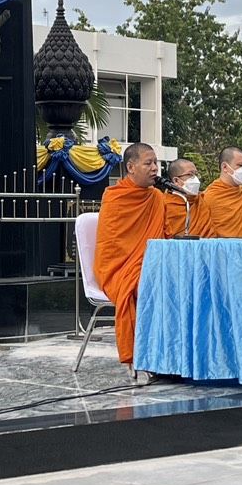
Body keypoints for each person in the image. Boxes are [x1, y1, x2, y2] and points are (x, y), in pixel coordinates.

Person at [93, 142, 165, 368]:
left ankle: (169, 354)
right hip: (120, 269)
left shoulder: (157, 197)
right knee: (148, 286)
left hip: (151, 264)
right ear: (131, 167)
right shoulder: (115, 198)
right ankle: (146, 356)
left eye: (156, 163)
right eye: (148, 163)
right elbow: (112, 246)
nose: (155, 168)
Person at [162, 157, 212, 237]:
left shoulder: (200, 201)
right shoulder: (165, 204)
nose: (195, 179)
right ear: (176, 181)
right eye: (190, 174)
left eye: (196, 174)